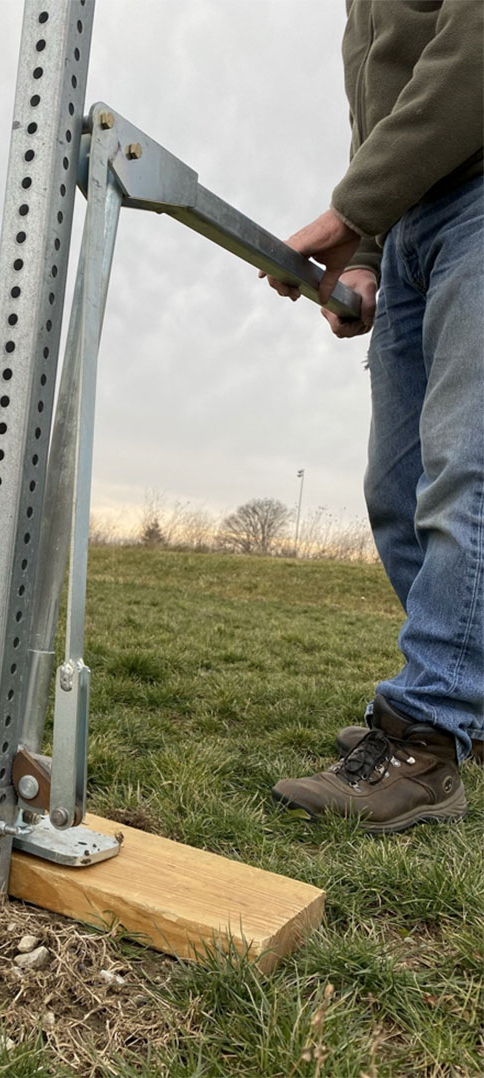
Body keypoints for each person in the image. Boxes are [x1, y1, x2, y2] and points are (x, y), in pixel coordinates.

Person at [265, 0, 483, 833]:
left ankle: (425, 736)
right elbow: (386, 115)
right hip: (409, 225)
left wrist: (352, 211)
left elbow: (472, 51)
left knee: (467, 471)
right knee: (397, 489)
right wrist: (362, 255)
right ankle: (469, 706)